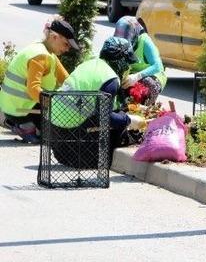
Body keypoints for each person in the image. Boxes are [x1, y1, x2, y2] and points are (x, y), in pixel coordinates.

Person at [49, 37, 145, 168]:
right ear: (121, 61)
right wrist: (128, 120)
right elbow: (105, 117)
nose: (128, 67)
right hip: (73, 145)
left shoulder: (91, 64)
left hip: (56, 138)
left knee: (116, 116)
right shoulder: (110, 79)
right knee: (118, 129)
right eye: (127, 63)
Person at [0, 17, 77, 143]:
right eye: (66, 44)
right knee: (57, 134)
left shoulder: (47, 51)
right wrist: (58, 106)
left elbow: (67, 80)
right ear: (54, 37)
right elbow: (33, 90)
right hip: (18, 109)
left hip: (19, 105)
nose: (67, 49)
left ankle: (29, 127)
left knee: (58, 131)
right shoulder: (39, 56)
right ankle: (25, 127)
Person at [113, 16, 166, 106]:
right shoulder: (117, 41)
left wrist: (137, 76)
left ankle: (144, 110)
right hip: (131, 76)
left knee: (146, 84)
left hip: (152, 76)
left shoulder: (144, 41)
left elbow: (158, 66)